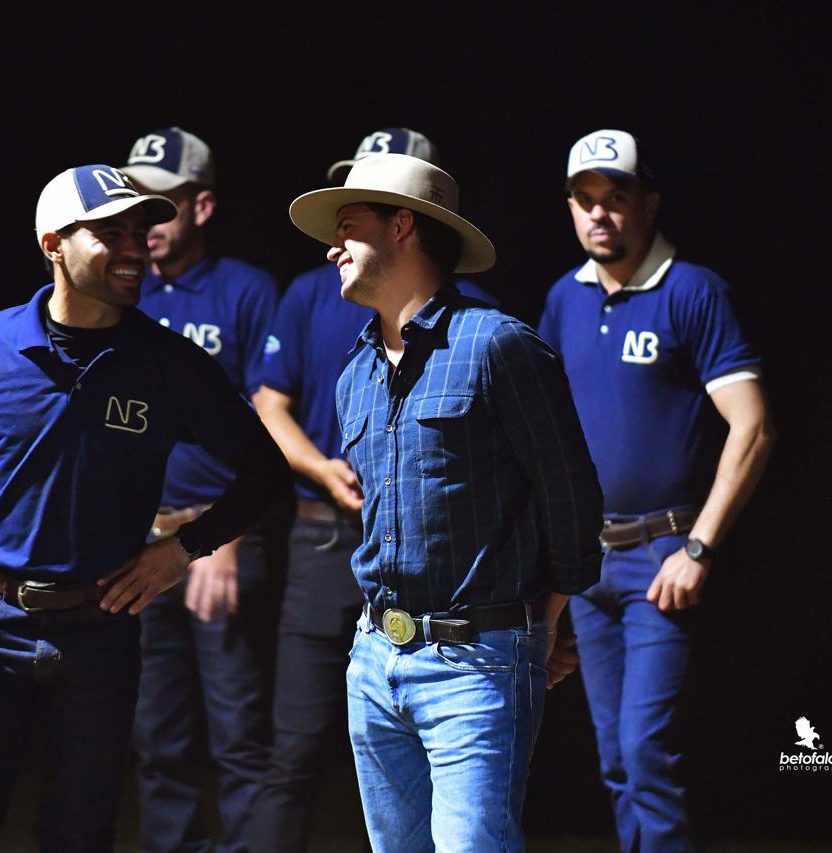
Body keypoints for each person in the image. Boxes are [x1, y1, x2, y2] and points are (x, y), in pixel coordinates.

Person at [0, 163, 291, 852]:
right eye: (110, 234)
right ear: (53, 245)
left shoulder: (168, 363)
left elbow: (266, 473)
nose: (135, 248)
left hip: (100, 633)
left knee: (80, 836)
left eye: (139, 232)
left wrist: (183, 549)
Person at [288, 152, 604, 852]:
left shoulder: (498, 346)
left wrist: (542, 623)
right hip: (374, 662)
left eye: (349, 226)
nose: (333, 248)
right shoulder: (354, 376)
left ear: (403, 226)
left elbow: (571, 495)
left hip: (477, 663)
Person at [248, 126, 499, 853]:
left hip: (439, 563)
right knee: (295, 745)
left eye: (363, 207)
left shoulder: (482, 325)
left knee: (434, 753)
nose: (340, 235)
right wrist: (319, 467)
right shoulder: (314, 293)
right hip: (324, 537)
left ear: (409, 218)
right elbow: (268, 401)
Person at [538, 129, 775, 852]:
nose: (598, 213)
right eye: (584, 199)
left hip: (662, 556)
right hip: (588, 561)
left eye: (615, 197)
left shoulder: (692, 290)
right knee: (614, 757)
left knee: (647, 749)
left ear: (648, 203)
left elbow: (754, 427)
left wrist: (698, 547)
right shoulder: (564, 298)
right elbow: (546, 435)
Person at [121, 127, 282, 852]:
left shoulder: (245, 290)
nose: (146, 220)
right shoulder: (121, 289)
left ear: (202, 206)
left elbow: (269, 425)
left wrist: (226, 537)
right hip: (135, 544)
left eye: (163, 203)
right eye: (137, 203)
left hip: (218, 541)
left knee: (238, 735)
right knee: (157, 736)